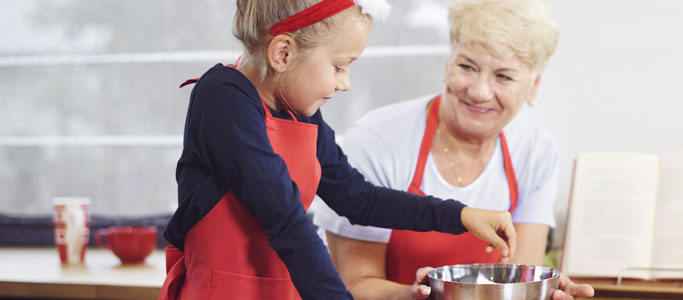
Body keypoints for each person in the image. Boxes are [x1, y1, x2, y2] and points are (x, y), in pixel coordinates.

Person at [158, 0, 517, 299]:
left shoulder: (300, 112)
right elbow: (284, 217)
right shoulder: (222, 98)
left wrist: (463, 215)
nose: (344, 84)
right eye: (339, 67)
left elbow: (358, 198)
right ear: (282, 53)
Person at [312, 0, 594, 299]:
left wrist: (541, 290)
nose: (479, 91)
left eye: (504, 76)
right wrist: (418, 296)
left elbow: (520, 277)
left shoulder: (535, 151)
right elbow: (353, 285)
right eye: (467, 67)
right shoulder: (376, 142)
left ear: (533, 86)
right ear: (448, 64)